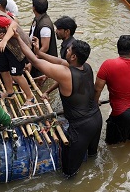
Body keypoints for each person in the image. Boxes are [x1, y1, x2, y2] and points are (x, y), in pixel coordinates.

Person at [14, 32, 101, 177]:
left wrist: (17, 39)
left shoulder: (65, 73)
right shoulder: (86, 67)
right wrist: (39, 52)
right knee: (92, 158)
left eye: (68, 50)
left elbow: (34, 62)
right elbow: (58, 62)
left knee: (69, 172)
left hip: (81, 127)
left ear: (73, 57)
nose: (66, 51)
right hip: (96, 119)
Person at [94, 35, 130, 144]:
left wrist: (95, 102)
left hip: (122, 113)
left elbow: (97, 89)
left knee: (112, 146)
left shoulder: (108, 65)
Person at [27, 0, 57, 79]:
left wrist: (32, 62)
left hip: (42, 63)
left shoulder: (45, 26)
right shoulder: (38, 19)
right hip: (35, 57)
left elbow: (45, 47)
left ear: (34, 8)